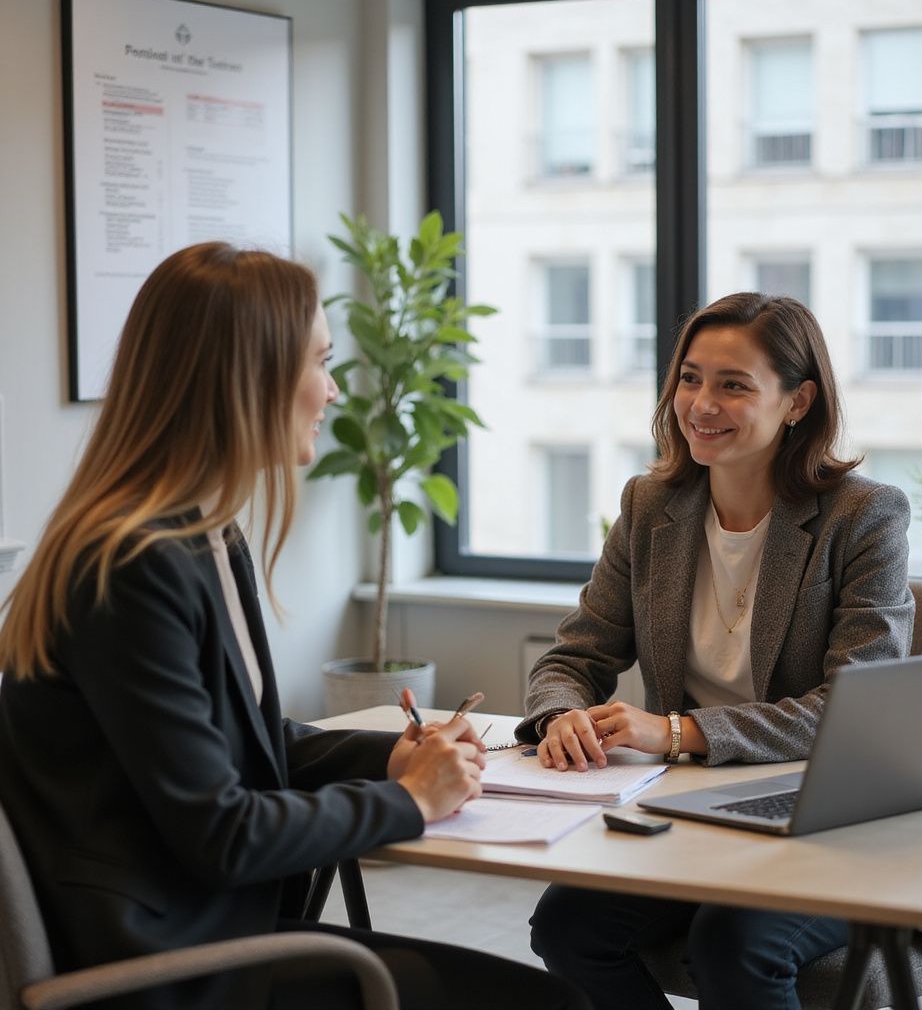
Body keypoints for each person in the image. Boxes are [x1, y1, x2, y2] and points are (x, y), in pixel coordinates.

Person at [0, 242, 589, 1010]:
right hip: (172, 964)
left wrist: (395, 759)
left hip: (218, 929)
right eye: (320, 362)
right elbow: (224, 832)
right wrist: (411, 801)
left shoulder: (206, 537)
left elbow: (246, 747)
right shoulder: (131, 568)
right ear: (250, 381)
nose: (335, 391)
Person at [516, 292, 916, 1010]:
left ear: (798, 402)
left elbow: (859, 710)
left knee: (735, 944)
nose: (700, 403)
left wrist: (674, 732)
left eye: (733, 384)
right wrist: (561, 717)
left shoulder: (864, 516)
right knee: (567, 928)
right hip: (692, 811)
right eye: (690, 378)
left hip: (826, 815)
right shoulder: (648, 506)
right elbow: (573, 658)